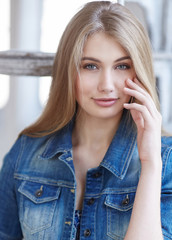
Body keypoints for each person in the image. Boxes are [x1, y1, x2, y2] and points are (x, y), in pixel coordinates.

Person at [0, 1, 171, 239]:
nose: (107, 85)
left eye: (122, 66)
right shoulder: (25, 152)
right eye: (90, 66)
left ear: (139, 72)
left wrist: (151, 164)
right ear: (69, 71)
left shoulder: (166, 161)